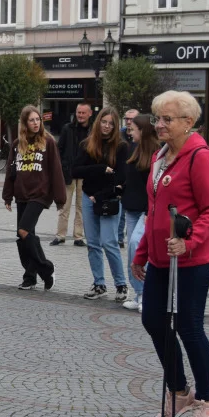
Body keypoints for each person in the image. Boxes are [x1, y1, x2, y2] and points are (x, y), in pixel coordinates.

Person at [133, 90, 209, 417]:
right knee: (154, 321)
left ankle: (208, 399)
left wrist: (189, 242)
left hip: (193, 259)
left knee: (189, 326)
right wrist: (143, 251)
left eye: (167, 119)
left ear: (189, 122)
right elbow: (154, 211)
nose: (159, 124)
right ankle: (179, 391)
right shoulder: (161, 156)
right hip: (161, 257)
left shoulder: (199, 157)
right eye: (157, 118)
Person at [2, 105, 64, 291]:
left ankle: (46, 268)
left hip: (39, 194)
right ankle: (30, 277)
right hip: (22, 194)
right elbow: (10, 171)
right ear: (24, 123)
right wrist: (7, 195)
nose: (36, 123)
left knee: (24, 231)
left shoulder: (48, 142)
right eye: (32, 120)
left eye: (38, 119)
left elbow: (56, 170)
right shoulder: (16, 144)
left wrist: (60, 198)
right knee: (24, 238)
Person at [73, 106, 129, 302]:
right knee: (93, 244)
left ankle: (121, 284)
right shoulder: (87, 144)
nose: (106, 126)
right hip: (88, 198)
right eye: (104, 122)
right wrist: (99, 169)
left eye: (111, 124)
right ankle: (99, 284)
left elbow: (120, 178)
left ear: (115, 127)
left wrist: (102, 193)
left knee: (109, 242)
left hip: (109, 199)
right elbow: (75, 170)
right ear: (98, 122)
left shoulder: (121, 147)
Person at [120, 114, 160, 313]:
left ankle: (147, 294)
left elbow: (155, 185)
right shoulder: (133, 149)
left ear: (143, 131)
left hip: (147, 211)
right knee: (132, 252)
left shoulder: (156, 152)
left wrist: (148, 210)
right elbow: (130, 179)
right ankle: (138, 293)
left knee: (137, 244)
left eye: (133, 128)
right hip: (131, 208)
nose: (130, 131)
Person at [53, 101, 92, 247]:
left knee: (81, 207)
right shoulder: (67, 128)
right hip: (68, 172)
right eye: (78, 112)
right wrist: (61, 166)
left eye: (83, 113)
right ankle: (60, 235)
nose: (80, 115)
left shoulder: (93, 131)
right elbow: (59, 149)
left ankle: (78, 237)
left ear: (89, 114)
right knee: (64, 205)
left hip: (85, 173)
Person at [119, 108, 140, 247]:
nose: (128, 121)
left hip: (135, 179)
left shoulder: (141, 138)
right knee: (121, 211)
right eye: (126, 118)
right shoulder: (119, 134)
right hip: (121, 175)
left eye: (131, 119)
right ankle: (119, 237)